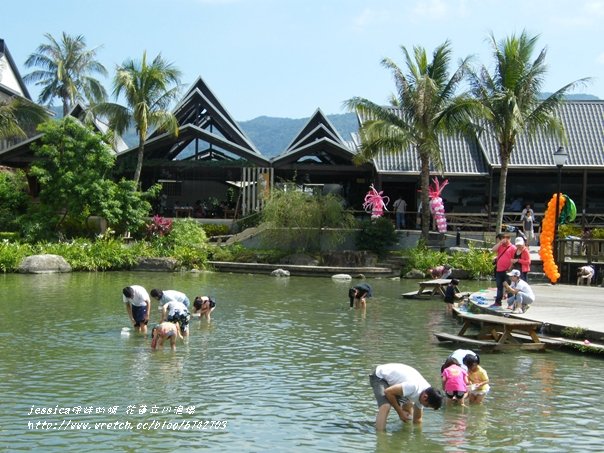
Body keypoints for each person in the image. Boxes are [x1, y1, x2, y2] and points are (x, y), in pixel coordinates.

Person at [369, 363, 443, 430]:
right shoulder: (414, 386)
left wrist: (419, 439)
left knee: (408, 405)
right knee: (386, 406)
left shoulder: (426, 393)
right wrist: (400, 413)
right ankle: (381, 436)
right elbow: (388, 392)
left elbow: (417, 419)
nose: (425, 406)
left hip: (397, 384)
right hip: (380, 376)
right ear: (425, 397)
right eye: (426, 405)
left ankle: (405, 432)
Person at [491, 233, 516, 308]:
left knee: (508, 287)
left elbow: (513, 259)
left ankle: (510, 304)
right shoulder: (500, 246)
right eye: (503, 238)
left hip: (507, 271)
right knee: (499, 287)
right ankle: (498, 302)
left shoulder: (513, 248)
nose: (504, 240)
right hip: (499, 270)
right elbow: (493, 250)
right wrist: (500, 242)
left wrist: (510, 268)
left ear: (509, 239)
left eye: (506, 238)